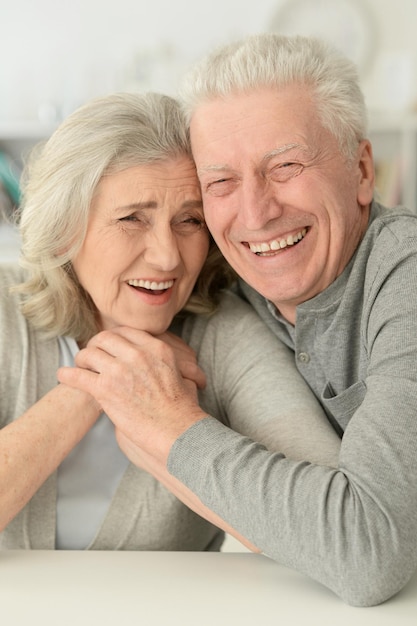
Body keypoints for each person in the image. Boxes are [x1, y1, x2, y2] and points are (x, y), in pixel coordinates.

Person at [58, 34, 417, 606]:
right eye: (220, 183)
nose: (255, 213)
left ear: (363, 170)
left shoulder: (405, 280)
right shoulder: (228, 286)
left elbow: (366, 551)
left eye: (287, 166)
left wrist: (168, 427)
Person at [0, 90, 341, 550]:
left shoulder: (224, 335)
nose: (166, 258)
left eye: (190, 221)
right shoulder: (6, 310)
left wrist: (170, 425)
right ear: (66, 228)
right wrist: (96, 387)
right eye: (132, 219)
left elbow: (333, 529)